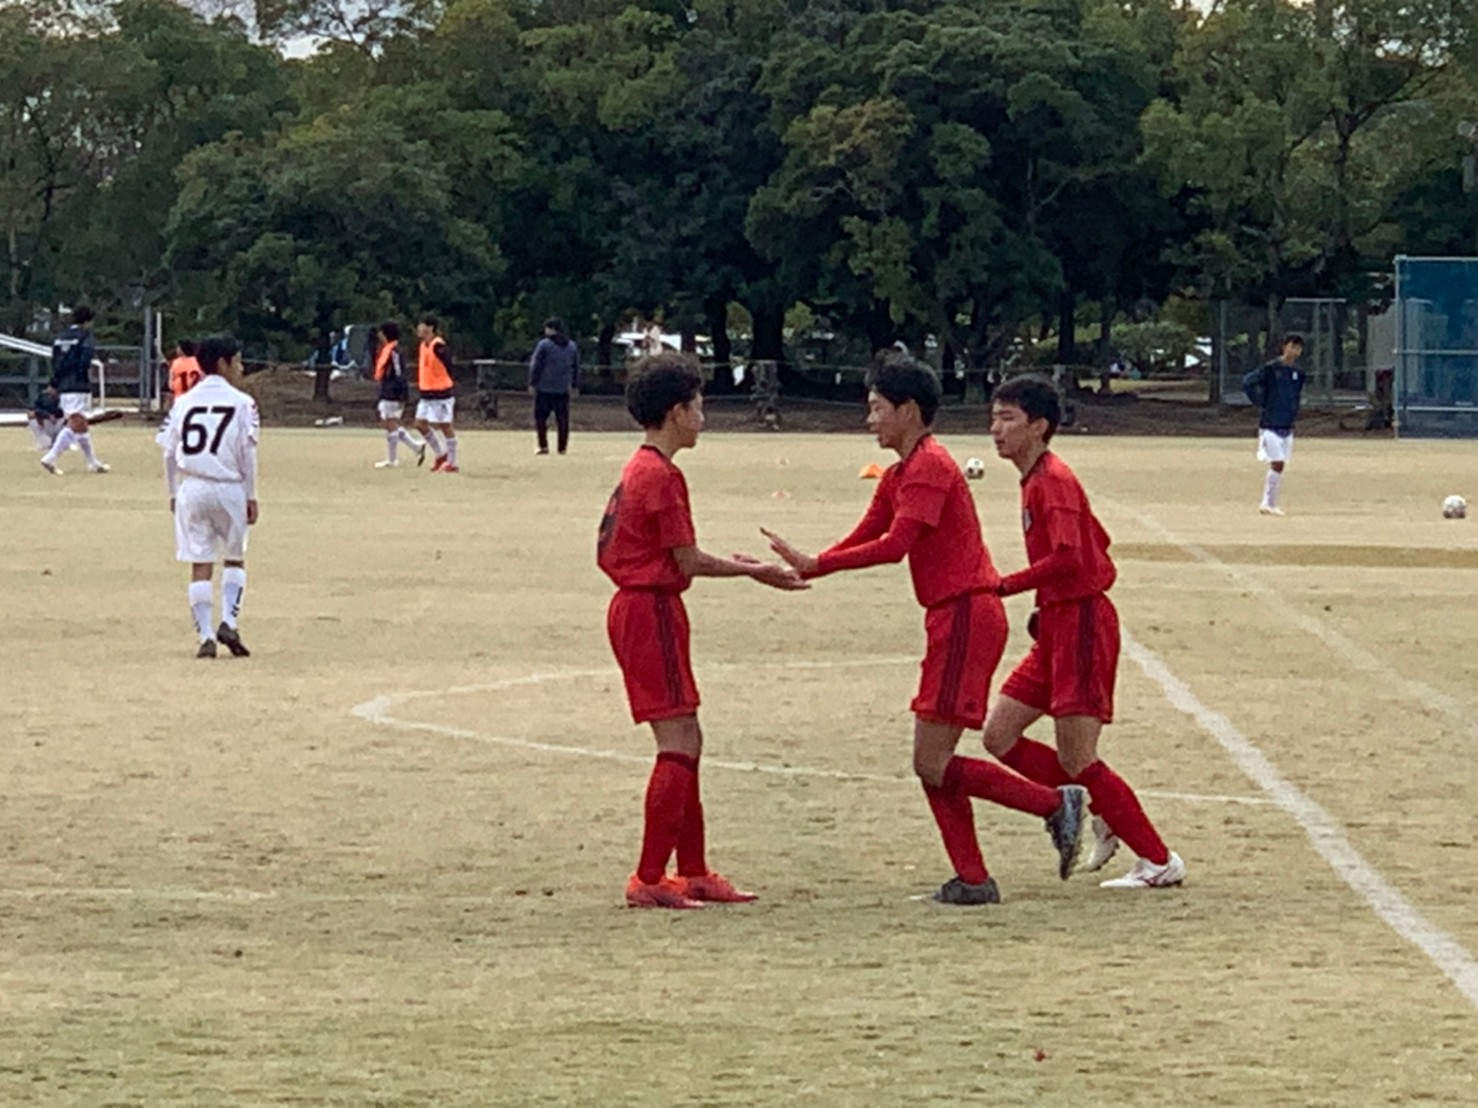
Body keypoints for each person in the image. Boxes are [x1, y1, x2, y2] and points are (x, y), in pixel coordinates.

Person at [762, 354, 1087, 906]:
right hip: (952, 618)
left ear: (908, 410)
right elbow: (870, 530)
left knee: (930, 761)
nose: (870, 420)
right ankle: (973, 879)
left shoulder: (931, 466)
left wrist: (819, 565)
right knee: (931, 763)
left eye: (877, 408)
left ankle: (1053, 806)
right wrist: (811, 563)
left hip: (965, 617)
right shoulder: (901, 473)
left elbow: (895, 545)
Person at [598, 352, 809, 909]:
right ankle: (649, 877)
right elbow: (686, 559)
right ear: (676, 412)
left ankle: (691, 870)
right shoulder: (661, 476)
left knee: (687, 738)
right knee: (679, 742)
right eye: (697, 405)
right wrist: (754, 571)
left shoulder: (641, 467)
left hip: (643, 608)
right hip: (650, 610)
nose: (702, 416)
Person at [982, 374, 1185, 889]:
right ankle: (1098, 807)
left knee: (1077, 756)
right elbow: (1098, 541)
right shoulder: (1036, 480)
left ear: (1039, 426)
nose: (996, 429)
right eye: (994, 417)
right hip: (1056, 624)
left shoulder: (1053, 481)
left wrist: (1005, 585)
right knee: (999, 735)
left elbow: (1071, 557)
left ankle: (1158, 861)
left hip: (1082, 625)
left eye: (1007, 418)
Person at [159, 334, 260, 660]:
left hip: (192, 486)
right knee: (234, 557)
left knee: (199, 562)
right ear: (222, 363)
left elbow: (168, 451)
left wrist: (173, 491)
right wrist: (251, 495)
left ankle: (205, 635)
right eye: (237, 361)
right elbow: (248, 453)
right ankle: (229, 621)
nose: (241, 368)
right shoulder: (243, 403)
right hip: (229, 486)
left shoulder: (183, 402)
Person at [40, 305, 108, 475]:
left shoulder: (60, 337)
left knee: (81, 424)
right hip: (78, 384)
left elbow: (55, 361)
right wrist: (82, 378)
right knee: (76, 422)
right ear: (88, 321)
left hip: (64, 384)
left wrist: (55, 382)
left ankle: (92, 462)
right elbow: (85, 359)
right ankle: (51, 457)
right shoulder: (85, 336)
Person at [1242, 335, 1305, 516]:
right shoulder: (1271, 368)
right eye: (1292, 346)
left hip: (1287, 425)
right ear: (1284, 347)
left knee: (1280, 465)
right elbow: (1248, 382)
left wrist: (1293, 411)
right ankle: (1267, 502)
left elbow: (1295, 395)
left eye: (1298, 348)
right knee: (1277, 462)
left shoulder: (1298, 373)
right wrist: (1261, 401)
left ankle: (1270, 502)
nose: (1294, 351)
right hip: (1270, 424)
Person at [371, 322, 426, 468]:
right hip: (387, 390)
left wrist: (401, 394)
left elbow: (399, 374)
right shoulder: (387, 350)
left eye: (381, 333)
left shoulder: (394, 352)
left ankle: (393, 459)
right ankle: (416, 446)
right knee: (389, 423)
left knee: (390, 423)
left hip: (393, 392)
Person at [528, 317, 581, 455]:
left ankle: (543, 445)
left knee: (540, 418)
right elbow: (576, 367)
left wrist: (532, 382)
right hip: (563, 388)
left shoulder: (544, 345)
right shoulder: (571, 346)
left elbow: (536, 365)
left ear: (552, 329)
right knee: (562, 419)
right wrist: (575, 385)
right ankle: (562, 447)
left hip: (544, 388)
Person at [414, 314, 458, 473]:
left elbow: (449, 364)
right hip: (426, 393)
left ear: (430, 328)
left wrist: (447, 381)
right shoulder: (422, 345)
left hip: (441, 393)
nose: (419, 329)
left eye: (422, 325)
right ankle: (441, 454)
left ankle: (452, 462)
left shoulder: (438, 345)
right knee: (420, 424)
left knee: (445, 426)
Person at [167, 340, 202, 407]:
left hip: (180, 398)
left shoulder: (176, 363)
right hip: (196, 398)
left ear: (182, 350)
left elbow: (170, 385)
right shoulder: (198, 361)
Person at [27, 387, 63, 451]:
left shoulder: (63, 398)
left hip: (57, 424)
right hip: (45, 424)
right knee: (46, 444)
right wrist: (48, 416)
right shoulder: (43, 397)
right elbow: (33, 410)